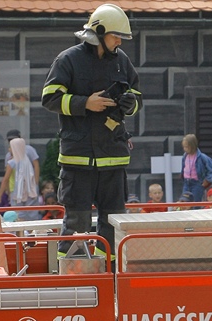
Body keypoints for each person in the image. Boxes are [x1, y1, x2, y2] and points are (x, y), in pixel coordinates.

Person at [41, 3, 142, 260]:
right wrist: (85, 103)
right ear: (99, 31)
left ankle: (109, 275)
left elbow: (137, 94)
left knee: (113, 223)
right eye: (116, 35)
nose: (119, 41)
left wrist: (131, 103)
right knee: (77, 223)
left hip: (114, 156)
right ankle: (72, 279)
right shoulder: (68, 60)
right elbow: (50, 98)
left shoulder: (122, 61)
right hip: (78, 159)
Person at [0, 138, 39, 220]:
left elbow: (5, 179)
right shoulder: (27, 161)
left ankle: (21, 232)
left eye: (10, 147)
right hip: (30, 190)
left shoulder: (11, 163)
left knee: (18, 215)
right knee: (32, 215)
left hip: (15, 192)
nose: (9, 149)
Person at [180, 134, 212, 202]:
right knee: (184, 201)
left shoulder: (202, 157)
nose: (184, 149)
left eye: (186, 147)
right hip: (186, 182)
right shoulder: (185, 156)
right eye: (184, 147)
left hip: (197, 183)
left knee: (195, 202)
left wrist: (208, 180)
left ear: (192, 146)